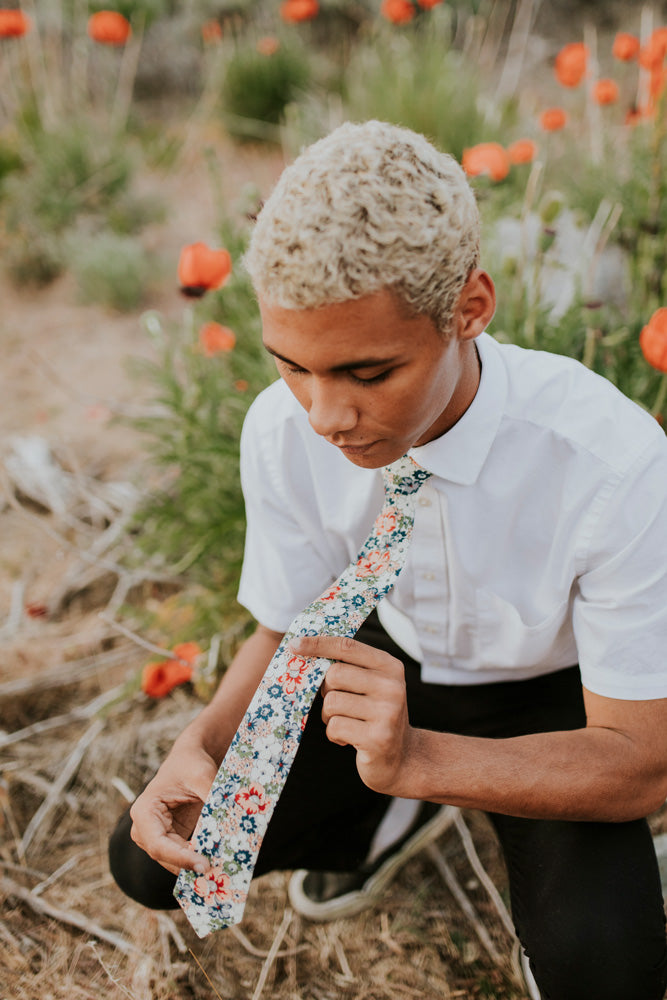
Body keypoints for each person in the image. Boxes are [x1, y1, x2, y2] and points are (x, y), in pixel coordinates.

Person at [109, 120, 667, 1000]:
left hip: (555, 701)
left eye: (368, 374)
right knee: (150, 864)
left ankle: (413, 790)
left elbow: (641, 762)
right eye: (292, 365)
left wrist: (421, 759)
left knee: (608, 974)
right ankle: (382, 817)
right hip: (376, 664)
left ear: (469, 309)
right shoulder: (281, 428)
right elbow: (287, 627)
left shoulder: (612, 463)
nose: (325, 416)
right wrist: (202, 742)